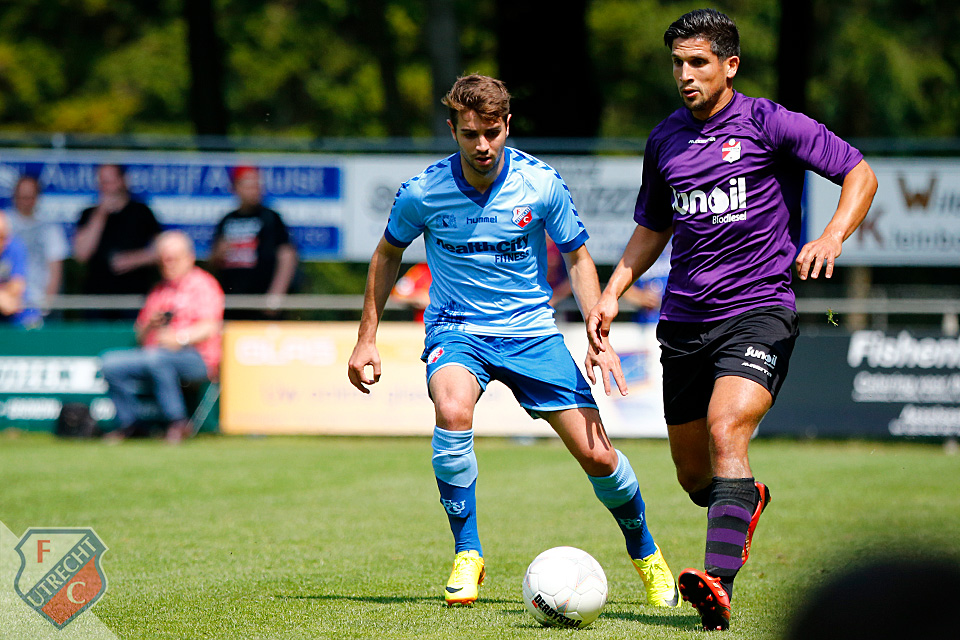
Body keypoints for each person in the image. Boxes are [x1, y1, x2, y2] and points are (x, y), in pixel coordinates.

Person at [586, 9, 878, 631]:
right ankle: (746, 501)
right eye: (677, 63)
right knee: (696, 476)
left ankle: (716, 584)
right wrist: (613, 291)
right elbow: (654, 226)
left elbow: (859, 172)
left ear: (730, 65)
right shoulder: (664, 139)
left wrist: (831, 236)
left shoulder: (770, 123)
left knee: (727, 432)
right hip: (684, 320)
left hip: (759, 310)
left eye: (698, 62)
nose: (685, 74)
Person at [347, 74, 680, 609]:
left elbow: (577, 256)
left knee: (598, 456)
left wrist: (597, 333)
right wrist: (367, 338)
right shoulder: (422, 192)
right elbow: (387, 254)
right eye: (469, 134)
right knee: (452, 410)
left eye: (492, 132)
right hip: (457, 330)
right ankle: (468, 553)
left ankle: (646, 554)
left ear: (507, 125)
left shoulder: (540, 183)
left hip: (532, 334)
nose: (482, 145)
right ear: (452, 130)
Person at [100, 231, 224, 443]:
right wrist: (150, 324)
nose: (168, 264)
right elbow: (140, 336)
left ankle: (178, 422)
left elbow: (211, 327)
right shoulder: (159, 290)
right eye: (164, 260)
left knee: (157, 358)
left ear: (189, 257)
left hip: (198, 358)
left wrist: (180, 338)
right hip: (157, 354)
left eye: (174, 259)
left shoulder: (203, 284)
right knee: (110, 363)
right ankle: (131, 424)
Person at [209, 166, 298, 319]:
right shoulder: (227, 219)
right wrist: (219, 253)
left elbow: (287, 256)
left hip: (261, 302)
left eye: (257, 184)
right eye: (248, 185)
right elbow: (213, 261)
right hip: (233, 302)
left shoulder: (270, 218)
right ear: (236, 187)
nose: (254, 190)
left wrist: (276, 295)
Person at [73, 164, 163, 316]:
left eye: (110, 181)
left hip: (134, 298)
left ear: (123, 180)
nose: (106, 187)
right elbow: (81, 254)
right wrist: (100, 214)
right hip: (96, 299)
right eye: (102, 182)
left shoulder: (142, 212)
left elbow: (161, 251)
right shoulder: (89, 214)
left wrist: (134, 260)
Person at [8, 175, 69, 323]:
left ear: (37, 197)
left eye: (30, 197)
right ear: (14, 196)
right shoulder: (3, 225)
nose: (25, 201)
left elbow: (55, 270)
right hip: (7, 304)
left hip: (38, 304)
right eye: (22, 197)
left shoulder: (50, 228)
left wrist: (46, 306)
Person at [0, 211, 31, 326]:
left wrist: (4, 298)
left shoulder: (15, 247)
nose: (2, 242)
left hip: (15, 313)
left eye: (4, 236)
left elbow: (18, 284)